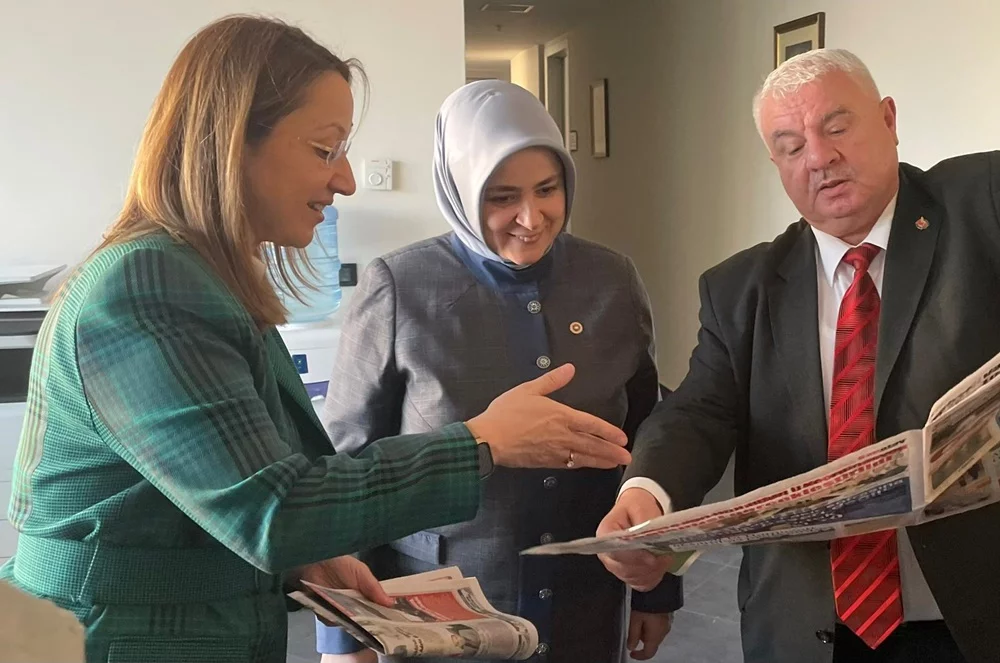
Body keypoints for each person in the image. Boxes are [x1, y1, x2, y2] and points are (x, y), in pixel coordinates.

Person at [0, 16, 633, 663]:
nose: (347, 180)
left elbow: (233, 490)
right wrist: (482, 442)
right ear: (234, 143)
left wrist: (309, 560)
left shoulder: (206, 279)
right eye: (324, 150)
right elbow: (273, 511)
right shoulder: (149, 285)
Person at [597, 48, 1000, 663]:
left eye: (837, 127)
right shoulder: (740, 288)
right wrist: (648, 495)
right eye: (790, 147)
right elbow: (698, 411)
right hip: (809, 625)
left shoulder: (982, 203)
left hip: (971, 613)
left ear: (888, 120)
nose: (819, 157)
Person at [314, 80, 681, 663]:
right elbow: (345, 467)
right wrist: (343, 635)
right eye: (501, 197)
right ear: (459, 189)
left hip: (586, 598)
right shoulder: (399, 287)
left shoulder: (612, 280)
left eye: (547, 189)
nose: (530, 218)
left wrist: (656, 587)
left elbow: (649, 440)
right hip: (440, 610)